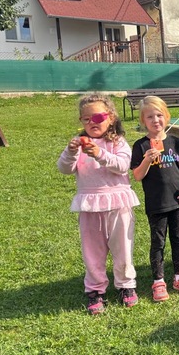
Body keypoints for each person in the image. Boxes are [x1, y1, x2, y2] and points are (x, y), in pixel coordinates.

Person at [57, 93, 139, 314]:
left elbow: (123, 166)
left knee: (123, 247)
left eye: (98, 117)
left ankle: (126, 285)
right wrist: (70, 152)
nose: (92, 123)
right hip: (90, 204)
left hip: (118, 202)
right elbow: (64, 169)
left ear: (110, 117)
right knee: (92, 250)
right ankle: (95, 289)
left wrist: (100, 154)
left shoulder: (117, 142)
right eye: (86, 119)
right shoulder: (78, 144)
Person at [131, 96, 179, 302]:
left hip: (178, 200)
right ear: (143, 121)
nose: (155, 120)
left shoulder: (175, 142)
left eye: (159, 115)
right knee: (158, 242)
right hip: (157, 202)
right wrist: (147, 160)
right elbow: (137, 175)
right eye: (150, 117)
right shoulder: (141, 145)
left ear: (166, 117)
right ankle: (158, 281)